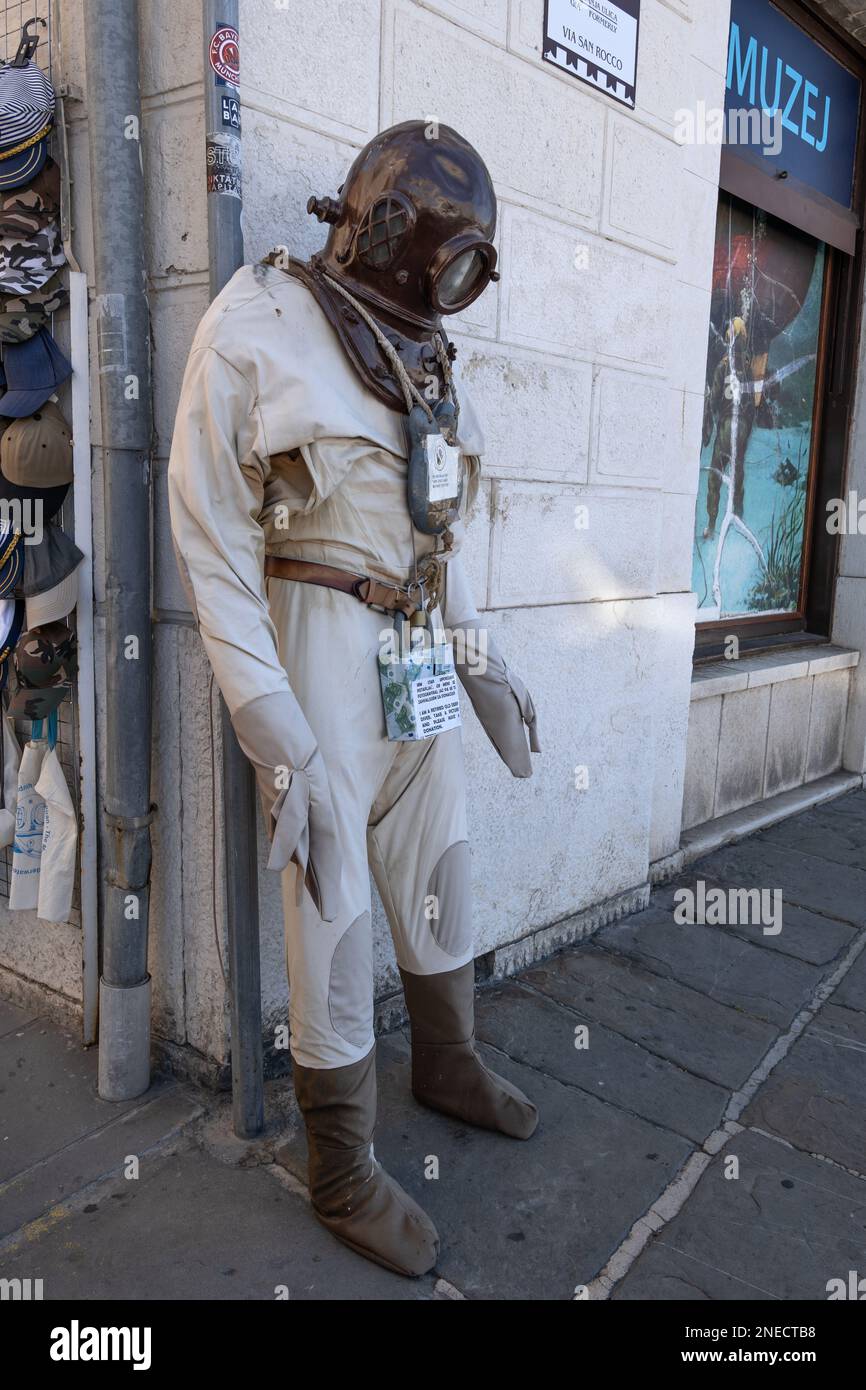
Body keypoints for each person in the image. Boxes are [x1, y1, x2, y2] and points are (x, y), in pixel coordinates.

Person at [168, 121, 541, 1277]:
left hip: (415, 652)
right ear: (384, 228)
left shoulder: (423, 357)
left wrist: (480, 662)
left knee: (442, 862)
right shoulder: (259, 328)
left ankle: (447, 1055)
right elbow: (213, 539)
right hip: (320, 655)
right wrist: (267, 721)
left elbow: (435, 532)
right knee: (328, 900)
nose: (456, 285)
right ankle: (338, 1163)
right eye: (447, 257)